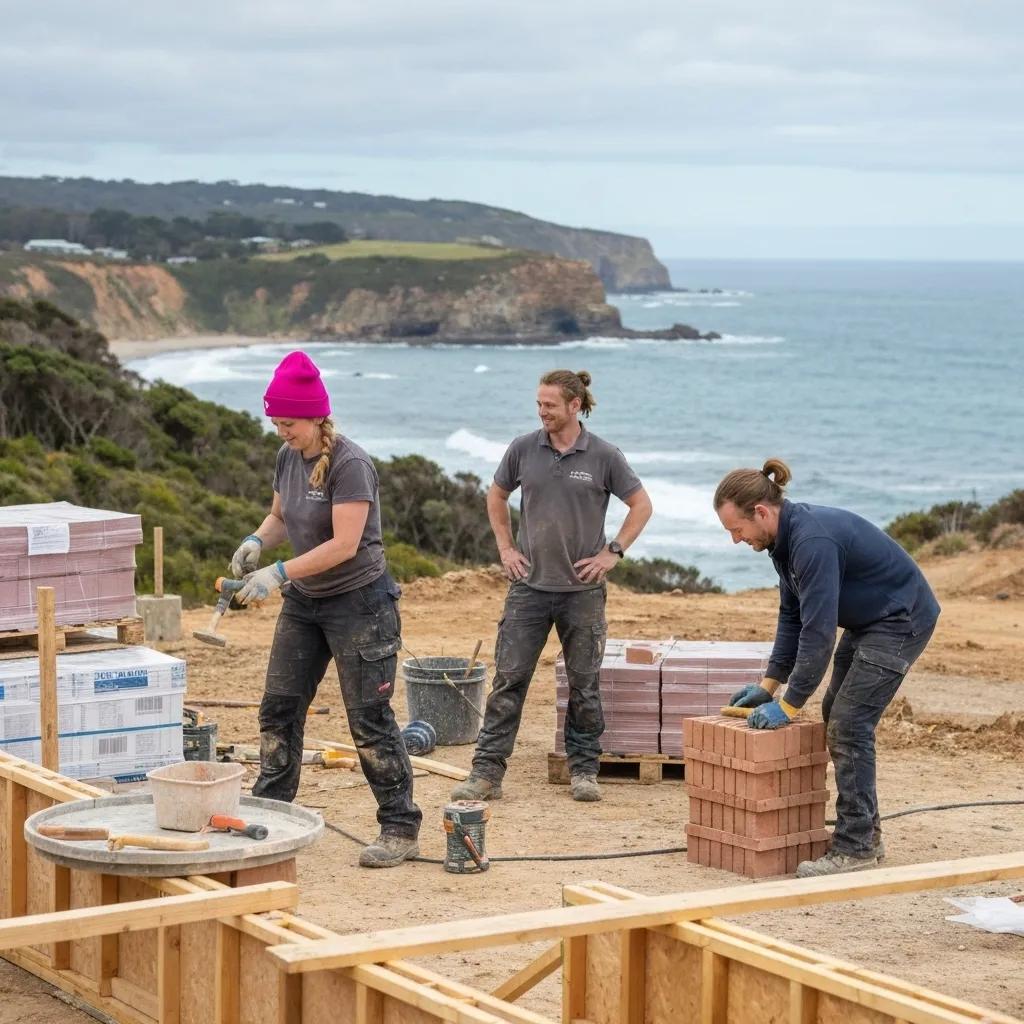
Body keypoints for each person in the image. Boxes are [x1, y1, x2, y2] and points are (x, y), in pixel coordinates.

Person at [230, 350, 421, 868]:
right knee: (279, 708)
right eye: (275, 423)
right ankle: (273, 813)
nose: (281, 432)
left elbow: (344, 544)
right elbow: (279, 517)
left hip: (360, 603)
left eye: (288, 423)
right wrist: (257, 541)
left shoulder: (350, 465)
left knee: (369, 720)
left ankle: (400, 827)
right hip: (306, 602)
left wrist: (278, 573)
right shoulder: (287, 456)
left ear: (316, 417)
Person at [714, 459, 940, 877]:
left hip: (900, 620)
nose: (735, 539)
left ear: (760, 512)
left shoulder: (812, 541)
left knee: (849, 724)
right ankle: (867, 833)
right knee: (835, 712)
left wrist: (790, 705)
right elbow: (792, 616)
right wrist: (769, 686)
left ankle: (856, 848)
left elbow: (818, 633)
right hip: (871, 620)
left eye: (737, 529)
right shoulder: (782, 543)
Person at [451, 369, 653, 804]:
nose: (542, 411)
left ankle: (584, 770)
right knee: (509, 680)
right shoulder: (523, 448)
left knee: (584, 684)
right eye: (539, 404)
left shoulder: (604, 455)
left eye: (550, 405)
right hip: (529, 588)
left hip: (583, 592)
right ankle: (486, 773)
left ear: (574, 405)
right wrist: (506, 548)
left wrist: (613, 552)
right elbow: (496, 495)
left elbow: (641, 504)